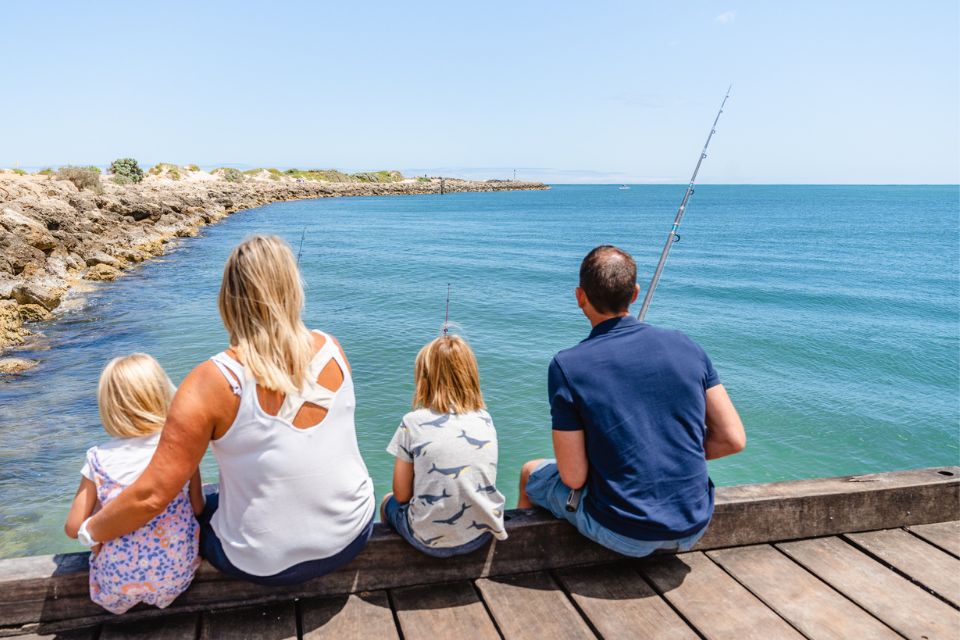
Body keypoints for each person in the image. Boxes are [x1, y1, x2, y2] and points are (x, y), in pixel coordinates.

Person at [74, 235, 376, 586]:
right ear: (293, 288)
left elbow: (152, 496)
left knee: (197, 507)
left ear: (228, 297)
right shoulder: (333, 348)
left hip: (262, 562)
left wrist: (91, 531)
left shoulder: (211, 381)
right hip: (352, 533)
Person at [518, 245, 746, 557]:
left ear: (580, 297)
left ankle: (524, 558)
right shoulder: (687, 346)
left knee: (531, 473)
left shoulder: (567, 365)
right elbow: (733, 440)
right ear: (635, 293)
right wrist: (666, 455)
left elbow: (574, 477)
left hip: (624, 533)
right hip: (694, 524)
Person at [65, 354, 203, 614]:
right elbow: (197, 508)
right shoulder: (180, 448)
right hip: (175, 576)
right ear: (162, 394)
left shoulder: (97, 458)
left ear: (108, 406)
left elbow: (74, 528)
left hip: (116, 583)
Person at [381, 334, 507, 556]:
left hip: (427, 541)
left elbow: (401, 495)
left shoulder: (412, 422)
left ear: (423, 380)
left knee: (387, 502)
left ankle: (398, 557)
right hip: (480, 536)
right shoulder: (485, 419)